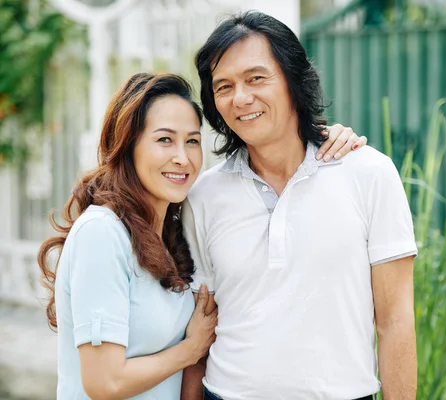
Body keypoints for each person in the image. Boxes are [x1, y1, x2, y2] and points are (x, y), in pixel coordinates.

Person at [37, 72, 365, 399]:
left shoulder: (172, 233)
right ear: (127, 145)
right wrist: (190, 349)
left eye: (192, 141)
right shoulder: (103, 233)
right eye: (164, 140)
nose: (183, 157)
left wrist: (321, 138)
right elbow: (103, 383)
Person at [182, 11, 418, 400]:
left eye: (256, 78)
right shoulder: (203, 195)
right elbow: (201, 329)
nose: (241, 98)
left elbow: (395, 321)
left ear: (293, 81)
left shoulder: (369, 173)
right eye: (223, 86)